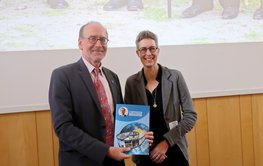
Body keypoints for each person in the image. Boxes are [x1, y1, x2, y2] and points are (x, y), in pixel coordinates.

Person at [49, 21, 133, 166]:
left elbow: (120, 117)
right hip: (81, 161)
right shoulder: (62, 76)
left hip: (114, 160)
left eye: (103, 39)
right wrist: (105, 150)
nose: (99, 44)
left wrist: (138, 134)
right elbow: (63, 128)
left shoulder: (113, 77)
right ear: (80, 43)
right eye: (93, 38)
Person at [124, 30, 197, 165]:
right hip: (145, 155)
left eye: (152, 49)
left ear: (158, 51)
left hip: (174, 150)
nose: (148, 54)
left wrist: (166, 143)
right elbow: (128, 124)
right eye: (143, 49)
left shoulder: (175, 77)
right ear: (137, 53)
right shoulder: (131, 83)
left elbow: (190, 116)